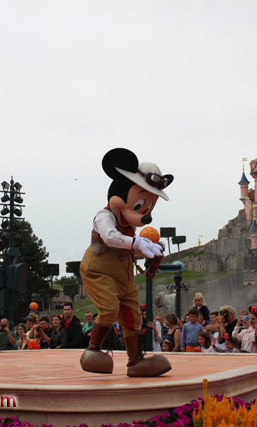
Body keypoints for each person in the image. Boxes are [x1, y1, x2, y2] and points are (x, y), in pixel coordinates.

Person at [79, 148, 172, 377]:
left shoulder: (130, 229)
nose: (145, 213)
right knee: (109, 309)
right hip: (98, 271)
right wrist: (137, 242)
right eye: (140, 205)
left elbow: (128, 247)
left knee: (133, 317)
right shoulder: (105, 216)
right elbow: (111, 238)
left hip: (124, 277)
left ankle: (135, 361)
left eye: (148, 208)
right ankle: (93, 350)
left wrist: (149, 250)